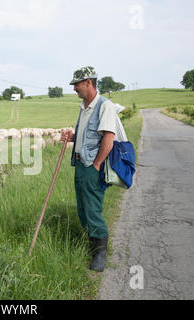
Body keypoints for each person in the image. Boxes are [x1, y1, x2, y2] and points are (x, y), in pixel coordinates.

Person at [61, 66, 117, 272]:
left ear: (89, 82)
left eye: (77, 84)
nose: (74, 88)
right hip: (79, 165)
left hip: (93, 167)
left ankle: (100, 255)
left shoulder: (104, 106)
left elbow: (108, 139)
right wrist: (72, 137)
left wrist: (96, 165)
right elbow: (87, 137)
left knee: (92, 209)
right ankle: (92, 246)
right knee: (83, 209)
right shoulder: (84, 107)